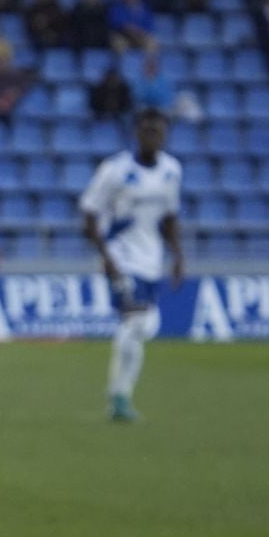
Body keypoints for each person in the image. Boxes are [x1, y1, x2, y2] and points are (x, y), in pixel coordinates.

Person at [79, 109, 183, 423]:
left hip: (152, 261)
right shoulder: (115, 170)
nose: (153, 135)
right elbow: (89, 215)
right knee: (136, 322)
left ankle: (119, 397)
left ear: (165, 135)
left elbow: (169, 217)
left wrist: (178, 255)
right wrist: (106, 257)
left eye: (158, 130)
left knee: (141, 327)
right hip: (122, 258)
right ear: (136, 132)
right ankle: (121, 398)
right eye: (147, 130)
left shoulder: (171, 171)